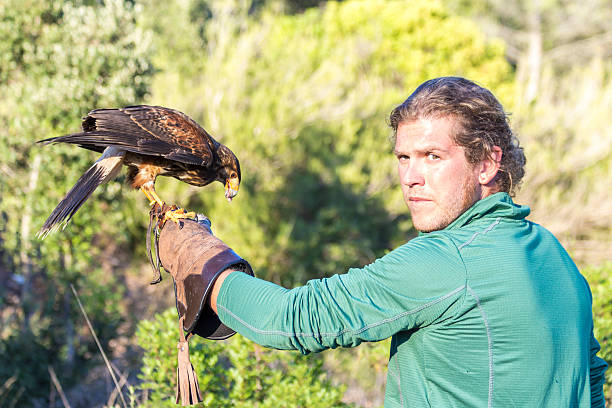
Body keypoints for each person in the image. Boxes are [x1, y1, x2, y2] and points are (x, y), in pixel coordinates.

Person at [159, 77, 608, 407]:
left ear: (488, 162)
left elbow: (292, 320)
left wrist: (203, 263)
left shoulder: (449, 260)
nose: (411, 177)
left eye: (433, 156)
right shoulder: (555, 256)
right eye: (403, 157)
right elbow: (589, 383)